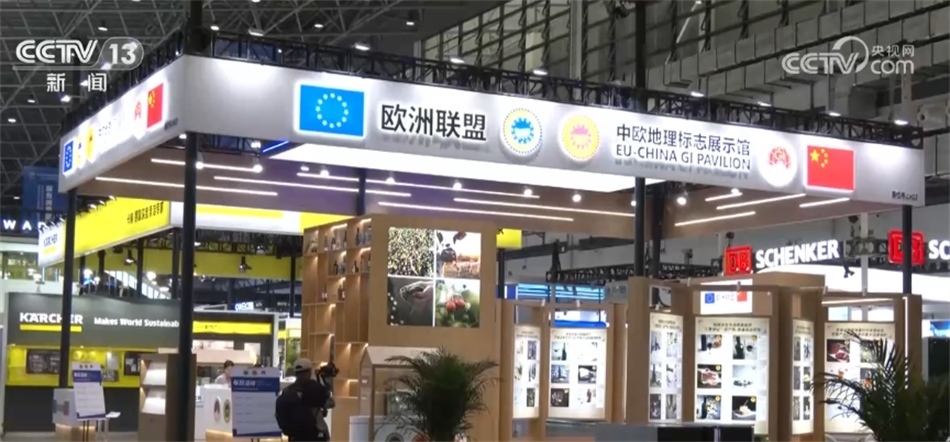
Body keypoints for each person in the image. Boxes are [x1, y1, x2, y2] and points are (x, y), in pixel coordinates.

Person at [276, 358, 332, 441]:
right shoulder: (314, 389)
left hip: (295, 436)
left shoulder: (288, 391)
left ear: (295, 373)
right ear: (309, 372)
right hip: (314, 434)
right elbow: (331, 403)